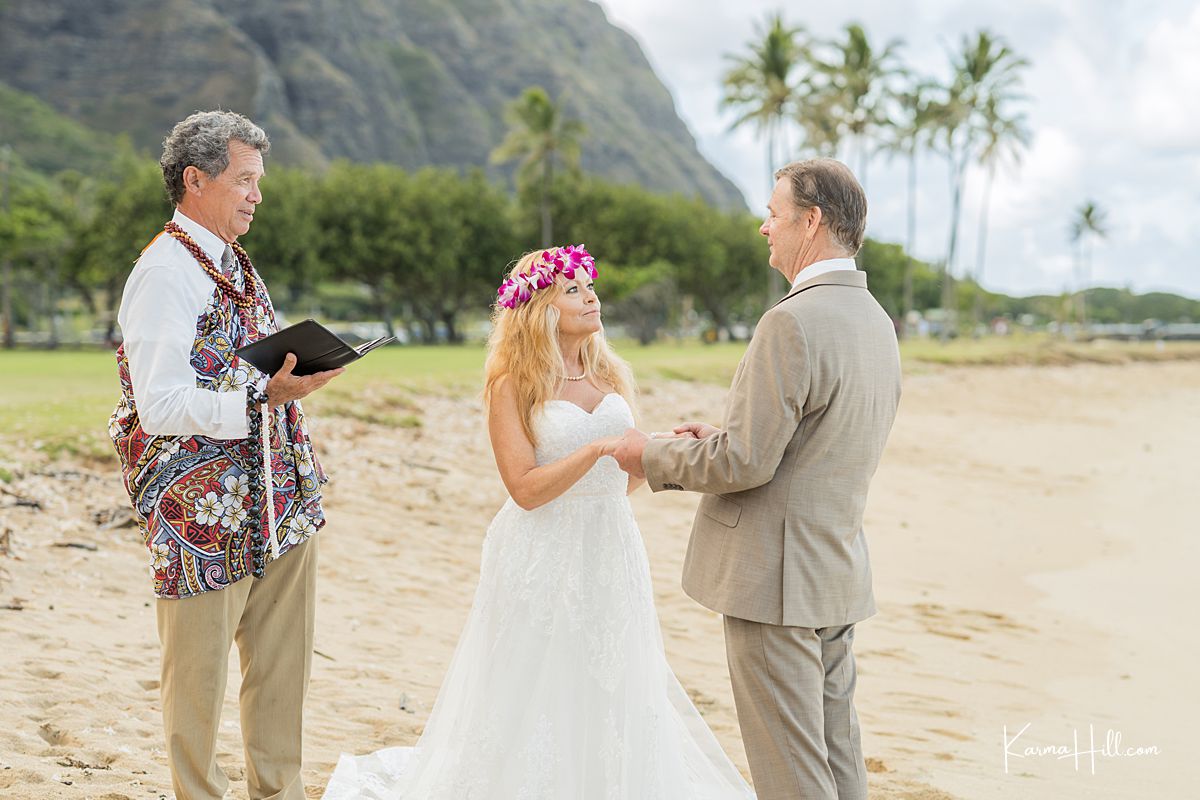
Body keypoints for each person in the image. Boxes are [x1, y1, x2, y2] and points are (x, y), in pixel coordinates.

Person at [322, 246, 754, 799]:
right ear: (540, 310)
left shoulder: (610, 375)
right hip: (540, 546)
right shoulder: (512, 385)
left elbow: (618, 480)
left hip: (610, 541)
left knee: (611, 667)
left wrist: (657, 454)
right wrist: (598, 448)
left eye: (588, 286)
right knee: (537, 674)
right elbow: (525, 490)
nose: (590, 295)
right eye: (571, 290)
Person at [614, 158, 902, 800]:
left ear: (812, 220)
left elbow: (746, 464)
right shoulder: (877, 323)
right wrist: (715, 440)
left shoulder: (791, 322)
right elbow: (813, 448)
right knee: (837, 757)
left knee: (791, 776)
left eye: (774, 214)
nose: (763, 226)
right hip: (834, 569)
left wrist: (647, 454)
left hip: (774, 583)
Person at [108, 110, 343, 800]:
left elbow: (240, 368)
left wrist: (283, 385)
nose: (256, 195)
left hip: (279, 496)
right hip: (201, 511)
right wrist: (258, 399)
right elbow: (158, 403)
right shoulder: (163, 273)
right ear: (195, 180)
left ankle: (280, 791)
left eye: (258, 182)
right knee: (199, 678)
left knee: (282, 668)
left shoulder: (233, 260)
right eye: (244, 180)